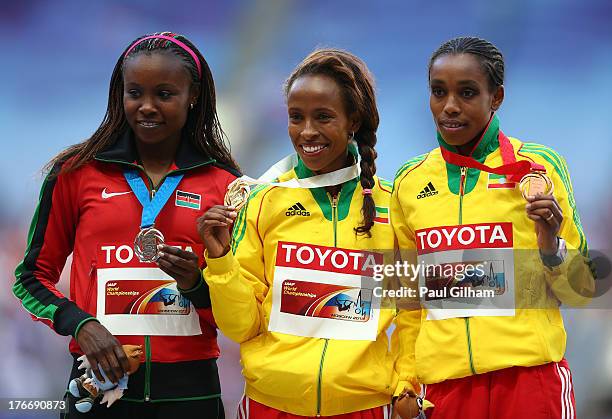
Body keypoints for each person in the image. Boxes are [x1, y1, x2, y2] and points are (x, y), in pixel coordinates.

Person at [13, 32, 239, 418]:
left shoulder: (227, 186)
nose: (147, 107)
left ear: (193, 95)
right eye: (135, 93)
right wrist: (81, 325)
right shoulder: (75, 173)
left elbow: (240, 311)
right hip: (96, 389)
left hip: (190, 396)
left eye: (164, 94)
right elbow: (30, 279)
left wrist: (196, 286)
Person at [390, 36, 595, 418]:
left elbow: (582, 290)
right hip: (447, 390)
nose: (449, 107)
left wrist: (551, 247)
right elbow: (409, 300)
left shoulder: (537, 168)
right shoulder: (409, 183)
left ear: (496, 97)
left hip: (529, 382)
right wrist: (406, 380)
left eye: (467, 93)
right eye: (438, 92)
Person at [199, 49, 398, 418]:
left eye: (323, 117)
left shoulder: (393, 205)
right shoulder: (261, 202)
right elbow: (240, 327)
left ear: (353, 119)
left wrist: (407, 383)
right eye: (296, 117)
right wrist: (221, 260)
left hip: (365, 407)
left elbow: (415, 313)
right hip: (270, 406)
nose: (307, 132)